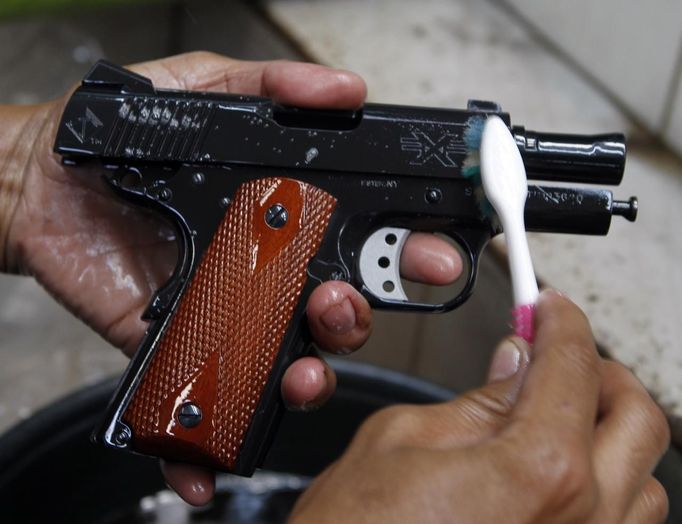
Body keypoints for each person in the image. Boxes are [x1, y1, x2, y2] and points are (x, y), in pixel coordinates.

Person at [0, 52, 670, 523]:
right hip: (274, 186)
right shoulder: (278, 190)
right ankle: (189, 420)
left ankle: (193, 419)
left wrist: (21, 167)